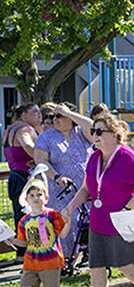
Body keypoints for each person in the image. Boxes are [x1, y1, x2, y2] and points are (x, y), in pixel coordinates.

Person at [59, 112, 134, 287]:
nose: (95, 135)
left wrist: (126, 209)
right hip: (98, 219)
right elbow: (86, 189)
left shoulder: (127, 156)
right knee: (96, 266)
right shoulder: (94, 158)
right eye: (93, 131)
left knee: (125, 264)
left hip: (120, 220)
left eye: (100, 131)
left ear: (115, 135)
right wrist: (70, 207)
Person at [33, 103, 94, 260]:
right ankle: (66, 258)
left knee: (89, 220)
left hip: (86, 187)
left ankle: (91, 255)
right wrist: (56, 177)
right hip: (61, 189)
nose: (55, 119)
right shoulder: (46, 137)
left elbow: (92, 126)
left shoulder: (81, 132)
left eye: (59, 116)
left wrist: (71, 114)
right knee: (67, 221)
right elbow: (41, 161)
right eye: (53, 116)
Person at [10, 177, 66, 287]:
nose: (36, 198)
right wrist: (13, 241)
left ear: (46, 197)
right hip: (31, 260)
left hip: (50, 259)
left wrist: (67, 221)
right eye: (32, 195)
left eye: (39, 194)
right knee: (24, 286)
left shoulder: (52, 215)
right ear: (26, 199)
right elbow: (24, 242)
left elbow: (63, 234)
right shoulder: (24, 221)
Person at [4, 103, 41, 224]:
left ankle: (20, 242)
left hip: (14, 176)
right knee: (29, 219)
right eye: (35, 112)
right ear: (24, 115)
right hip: (26, 178)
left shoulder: (9, 129)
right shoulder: (25, 128)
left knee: (19, 219)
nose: (39, 115)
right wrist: (40, 159)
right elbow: (27, 144)